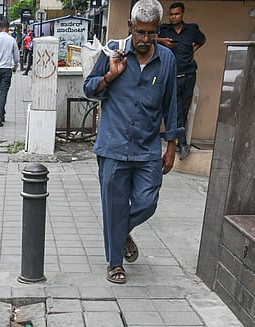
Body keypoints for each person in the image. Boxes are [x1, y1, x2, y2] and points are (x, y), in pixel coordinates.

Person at [83, 0, 180, 284]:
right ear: (130, 27)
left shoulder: (166, 60)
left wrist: (171, 145)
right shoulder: (113, 52)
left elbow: (172, 103)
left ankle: (119, 230)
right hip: (113, 146)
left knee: (147, 201)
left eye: (151, 33)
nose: (146, 39)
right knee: (113, 203)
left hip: (148, 148)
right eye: (140, 32)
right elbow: (89, 88)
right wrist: (110, 76)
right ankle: (115, 263)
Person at [157, 2, 205, 160]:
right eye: (171, 14)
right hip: (171, 77)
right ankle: (182, 143)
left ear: (182, 14)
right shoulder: (163, 30)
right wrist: (162, 41)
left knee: (183, 111)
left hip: (189, 75)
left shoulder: (191, 30)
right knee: (175, 111)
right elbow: (150, 39)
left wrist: (193, 49)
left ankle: (178, 141)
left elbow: (202, 39)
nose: (173, 17)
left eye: (176, 14)